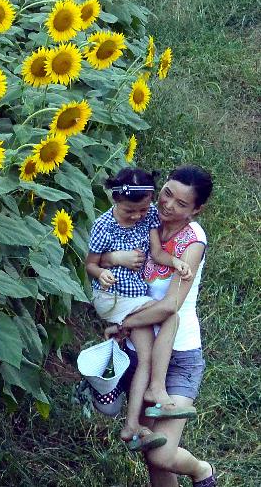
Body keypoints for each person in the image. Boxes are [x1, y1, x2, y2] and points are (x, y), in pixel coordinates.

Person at [102, 165, 217, 486]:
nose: (168, 206)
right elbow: (105, 247)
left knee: (162, 454)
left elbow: (170, 306)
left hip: (179, 357)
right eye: (167, 194)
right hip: (141, 352)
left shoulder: (193, 241)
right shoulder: (144, 215)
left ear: (197, 210)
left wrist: (123, 323)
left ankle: (202, 471)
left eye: (182, 204)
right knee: (150, 452)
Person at [85, 167, 194, 450]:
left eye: (143, 210)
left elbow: (157, 253)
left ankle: (132, 424)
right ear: (115, 201)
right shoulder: (103, 225)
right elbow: (90, 264)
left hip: (132, 299)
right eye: (129, 211)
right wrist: (106, 267)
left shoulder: (148, 221)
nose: (137, 216)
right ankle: (157, 389)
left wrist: (175, 262)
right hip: (113, 298)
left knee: (144, 357)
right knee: (169, 315)